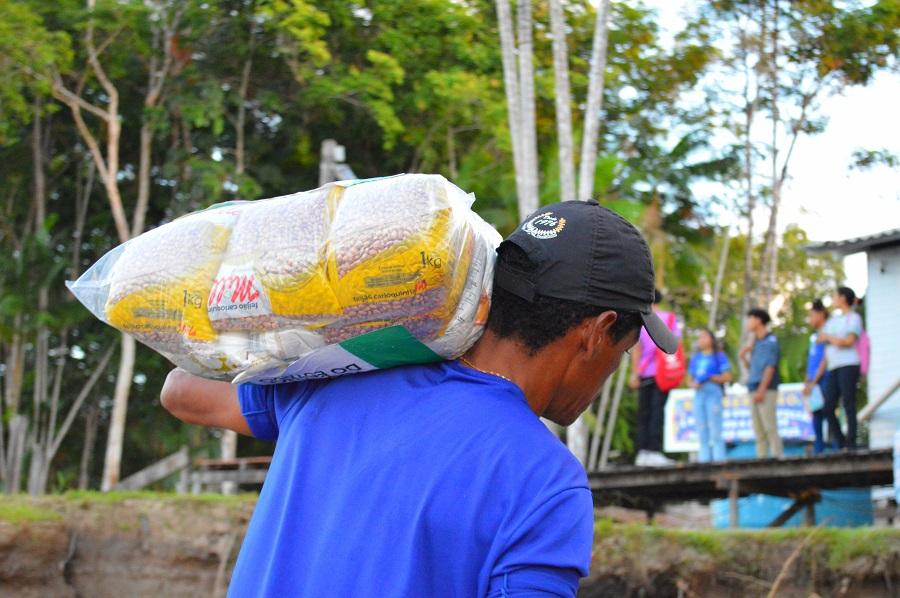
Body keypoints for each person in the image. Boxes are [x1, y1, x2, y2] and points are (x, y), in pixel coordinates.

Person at [160, 200, 678, 597]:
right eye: (626, 349)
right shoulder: (545, 483)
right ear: (597, 330)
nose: (614, 369)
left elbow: (181, 391)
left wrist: (324, 342)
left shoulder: (340, 377)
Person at [629, 289, 681, 466]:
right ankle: (654, 450)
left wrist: (635, 372)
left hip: (644, 372)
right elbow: (674, 345)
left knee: (644, 413)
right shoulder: (669, 318)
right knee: (658, 412)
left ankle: (642, 452)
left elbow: (637, 348)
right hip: (662, 373)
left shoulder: (640, 319)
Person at [819, 286, 864, 450]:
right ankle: (841, 441)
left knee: (849, 403)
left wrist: (831, 338)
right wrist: (834, 340)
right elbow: (821, 339)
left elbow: (848, 341)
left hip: (849, 364)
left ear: (843, 298)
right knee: (828, 406)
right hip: (833, 366)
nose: (833, 299)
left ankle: (851, 443)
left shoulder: (854, 318)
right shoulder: (833, 321)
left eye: (835, 296)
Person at [740, 308, 783, 458]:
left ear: (758, 320)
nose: (748, 323)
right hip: (753, 387)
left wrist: (762, 389)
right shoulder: (755, 343)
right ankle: (762, 460)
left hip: (766, 389)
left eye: (750, 318)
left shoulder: (770, 341)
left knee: (769, 427)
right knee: (758, 430)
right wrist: (744, 356)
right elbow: (753, 369)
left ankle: (778, 459)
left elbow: (770, 367)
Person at [687, 329, 732, 462]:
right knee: (701, 427)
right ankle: (704, 459)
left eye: (705, 337)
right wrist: (693, 384)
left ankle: (719, 459)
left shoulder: (719, 356)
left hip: (713, 391)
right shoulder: (696, 358)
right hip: (699, 393)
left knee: (715, 427)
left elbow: (728, 377)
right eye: (700, 337)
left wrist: (712, 378)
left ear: (712, 339)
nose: (701, 340)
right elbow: (689, 379)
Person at [803, 300, 835, 454]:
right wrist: (808, 381)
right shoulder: (814, 336)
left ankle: (836, 447)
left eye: (812, 315)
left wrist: (815, 380)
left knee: (829, 411)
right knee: (816, 413)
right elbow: (812, 359)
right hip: (813, 381)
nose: (810, 319)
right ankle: (819, 448)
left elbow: (826, 358)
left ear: (821, 314)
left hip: (825, 378)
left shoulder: (829, 331)